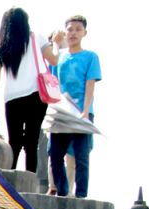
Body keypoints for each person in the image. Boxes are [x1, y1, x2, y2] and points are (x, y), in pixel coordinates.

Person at [45, 14, 102, 198]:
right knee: (55, 155)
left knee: (81, 157)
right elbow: (51, 83)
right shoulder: (59, 58)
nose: (73, 33)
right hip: (61, 112)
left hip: (81, 111)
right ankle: (62, 191)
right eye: (70, 29)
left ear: (85, 32)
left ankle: (81, 195)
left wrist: (85, 111)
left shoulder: (90, 56)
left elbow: (90, 84)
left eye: (78, 29)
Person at [0, 7, 48, 173]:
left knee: (14, 142)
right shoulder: (38, 38)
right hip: (35, 96)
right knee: (32, 142)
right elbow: (53, 59)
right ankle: (30, 182)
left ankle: (9, 183)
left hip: (12, 98)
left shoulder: (1, 46)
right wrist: (56, 43)